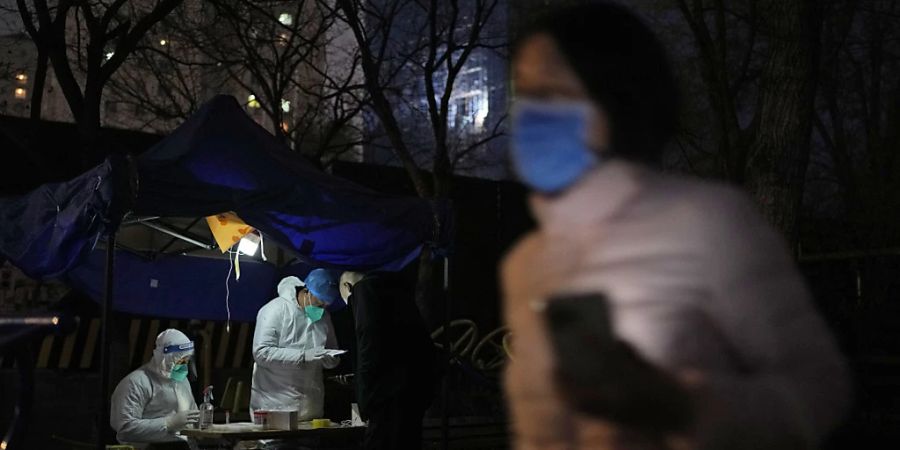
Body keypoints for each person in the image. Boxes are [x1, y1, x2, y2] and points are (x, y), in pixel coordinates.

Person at [501, 3, 851, 449]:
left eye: (553, 94)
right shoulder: (525, 263)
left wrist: (680, 406)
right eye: (524, 96)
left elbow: (821, 391)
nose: (531, 116)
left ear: (618, 101)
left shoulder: (710, 222)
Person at [339, 270, 436, 450]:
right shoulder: (397, 293)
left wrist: (365, 398)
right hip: (416, 387)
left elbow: (368, 341)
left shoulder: (364, 291)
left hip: (387, 394)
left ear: (347, 286)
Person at [251, 269, 341, 420]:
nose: (321, 309)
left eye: (325, 306)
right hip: (275, 407)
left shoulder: (324, 317)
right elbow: (261, 352)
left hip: (312, 409)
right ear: (307, 291)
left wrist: (330, 359)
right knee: (276, 444)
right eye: (319, 304)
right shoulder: (275, 310)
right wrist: (303, 356)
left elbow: (332, 350)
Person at [110, 329, 198, 450]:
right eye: (180, 360)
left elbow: (193, 416)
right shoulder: (136, 383)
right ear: (164, 357)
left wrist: (201, 424)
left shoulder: (182, 381)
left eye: (186, 360)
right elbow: (126, 429)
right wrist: (168, 423)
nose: (184, 365)